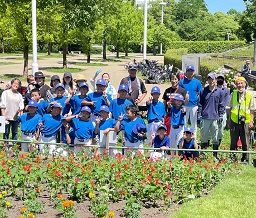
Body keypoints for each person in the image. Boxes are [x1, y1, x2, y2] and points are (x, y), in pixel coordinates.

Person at [198, 72, 225, 160]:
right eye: (209, 79)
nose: (211, 81)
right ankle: (203, 155)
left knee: (215, 137)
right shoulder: (203, 91)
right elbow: (200, 104)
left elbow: (221, 104)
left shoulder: (220, 92)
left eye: (212, 79)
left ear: (216, 80)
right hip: (205, 117)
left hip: (215, 117)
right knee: (204, 137)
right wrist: (199, 115)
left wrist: (221, 115)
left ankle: (215, 156)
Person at [229, 76, 255, 163]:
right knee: (233, 140)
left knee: (245, 141)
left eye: (241, 83)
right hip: (234, 120)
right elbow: (231, 107)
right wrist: (229, 120)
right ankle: (232, 157)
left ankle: (245, 159)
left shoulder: (249, 95)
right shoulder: (233, 94)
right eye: (238, 84)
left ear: (245, 84)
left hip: (246, 121)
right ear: (236, 85)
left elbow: (252, 109)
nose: (240, 85)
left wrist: (251, 121)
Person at [179, 65, 202, 136]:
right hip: (184, 105)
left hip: (194, 105)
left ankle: (193, 137)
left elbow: (200, 93)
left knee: (194, 123)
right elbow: (179, 94)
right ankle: (184, 137)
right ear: (185, 73)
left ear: (194, 72)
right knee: (184, 123)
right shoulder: (182, 82)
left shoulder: (197, 82)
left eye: (191, 71)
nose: (190, 73)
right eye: (188, 71)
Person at [0, 78, 24, 148]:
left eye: (18, 84)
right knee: (6, 132)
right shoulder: (5, 93)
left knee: (15, 132)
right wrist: (3, 116)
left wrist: (21, 117)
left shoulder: (19, 95)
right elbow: (2, 105)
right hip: (7, 116)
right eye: (15, 83)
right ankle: (5, 146)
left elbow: (21, 107)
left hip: (15, 116)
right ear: (11, 83)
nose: (16, 85)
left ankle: (14, 146)